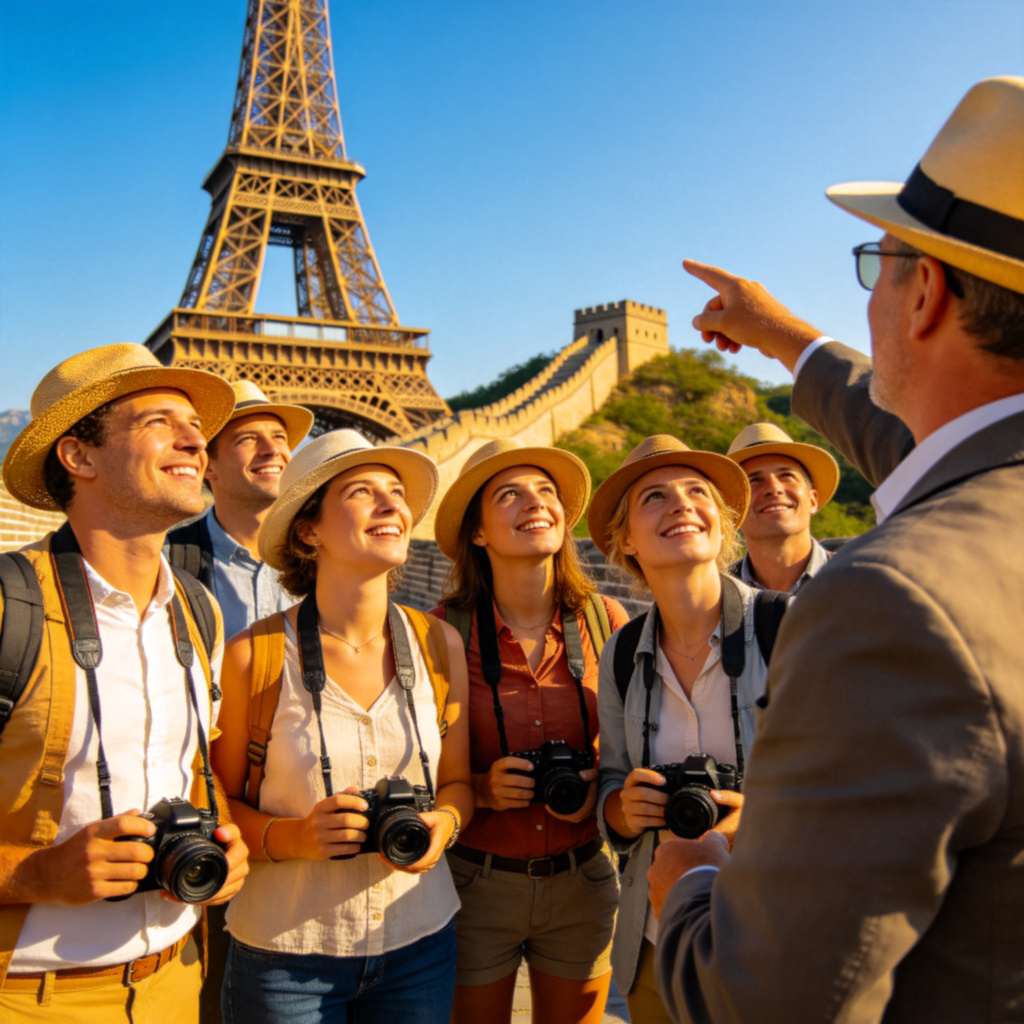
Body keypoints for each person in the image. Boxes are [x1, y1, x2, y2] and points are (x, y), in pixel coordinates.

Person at [650, 76, 1024, 1022]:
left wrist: (689, 885)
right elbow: (926, 438)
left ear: (925, 292)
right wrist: (784, 338)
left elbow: (763, 1000)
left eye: (880, 264)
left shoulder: (891, 603)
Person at [0, 343, 250, 1023]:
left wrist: (227, 840)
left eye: (195, 425)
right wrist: (34, 874)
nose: (196, 439)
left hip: (176, 982)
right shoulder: (8, 609)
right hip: (27, 998)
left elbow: (195, 769)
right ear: (78, 457)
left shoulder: (198, 615)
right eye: (158, 421)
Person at [210, 428, 473, 1024]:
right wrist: (295, 838)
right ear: (309, 529)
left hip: (420, 940)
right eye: (362, 491)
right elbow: (217, 805)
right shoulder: (255, 654)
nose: (391, 505)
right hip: (287, 956)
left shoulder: (439, 644)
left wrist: (444, 824)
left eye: (397, 492)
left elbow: (458, 784)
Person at [430, 438, 628, 1024]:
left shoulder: (606, 621)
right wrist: (484, 788)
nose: (535, 503)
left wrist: (597, 789)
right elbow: (416, 769)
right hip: (476, 882)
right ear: (479, 532)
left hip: (583, 878)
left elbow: (628, 749)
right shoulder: (443, 631)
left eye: (546, 491)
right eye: (509, 494)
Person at [586, 434, 762, 1024]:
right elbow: (611, 781)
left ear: (722, 521)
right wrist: (623, 809)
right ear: (626, 541)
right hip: (661, 946)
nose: (681, 504)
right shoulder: (621, 652)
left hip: (780, 935)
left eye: (697, 492)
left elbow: (855, 781)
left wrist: (756, 817)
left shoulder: (792, 629)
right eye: (654, 497)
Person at [165, 379, 313, 1023]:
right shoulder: (166, 563)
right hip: (211, 827)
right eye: (248, 438)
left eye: (280, 438)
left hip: (314, 825)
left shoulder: (331, 563)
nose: (272, 450)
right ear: (210, 462)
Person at [724, 422, 840, 593]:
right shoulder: (716, 600)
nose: (774, 488)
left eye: (787, 476)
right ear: (734, 511)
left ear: (813, 500)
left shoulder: (863, 579)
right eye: (754, 480)